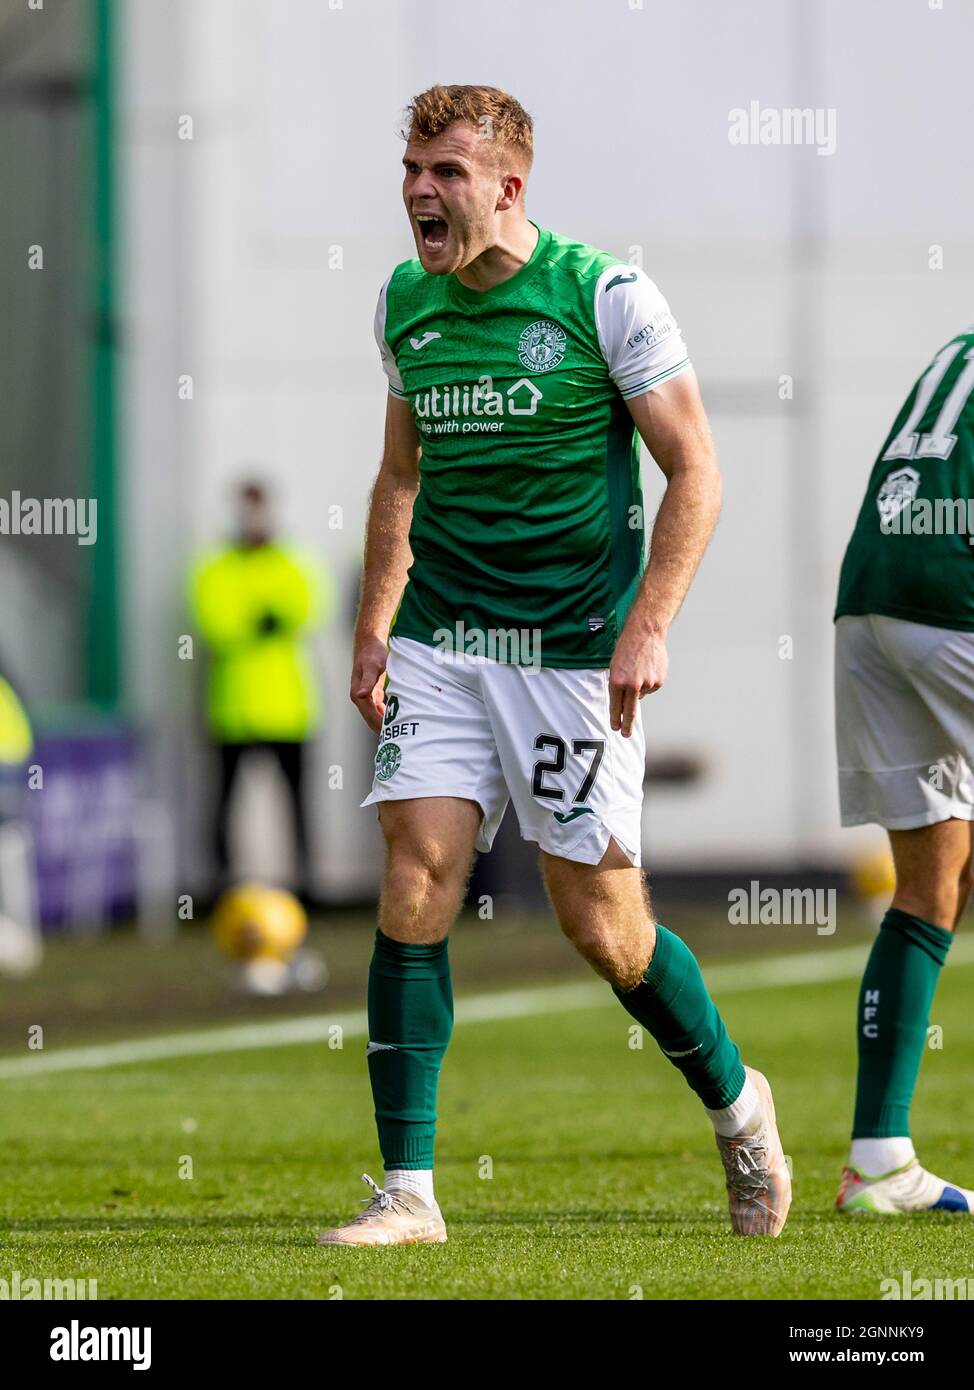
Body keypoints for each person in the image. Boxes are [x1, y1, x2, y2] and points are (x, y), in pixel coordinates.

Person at [320, 84, 790, 1247]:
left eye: (445, 173)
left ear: (507, 186)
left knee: (603, 928)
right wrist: (377, 622)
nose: (420, 192)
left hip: (571, 650)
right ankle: (409, 1192)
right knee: (417, 872)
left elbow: (696, 473)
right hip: (442, 641)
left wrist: (648, 623)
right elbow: (400, 479)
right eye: (412, 169)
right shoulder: (402, 303)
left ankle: (738, 1107)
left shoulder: (602, 297)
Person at [833, 324, 974, 1214]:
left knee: (930, 881)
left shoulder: (957, 348)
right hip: (952, 595)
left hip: (871, 600)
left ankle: (879, 1160)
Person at [190, 481, 331, 905]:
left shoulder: (291, 562)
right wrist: (263, 618)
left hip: (288, 709)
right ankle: (223, 887)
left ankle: (306, 885)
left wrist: (255, 619)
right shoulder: (215, 567)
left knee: (298, 805)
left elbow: (308, 608)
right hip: (234, 709)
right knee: (223, 804)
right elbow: (215, 621)